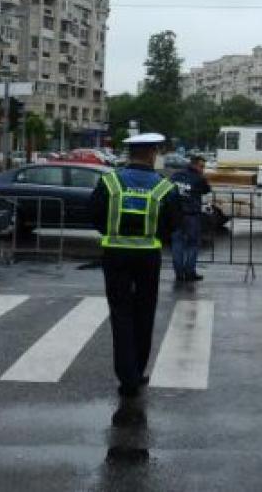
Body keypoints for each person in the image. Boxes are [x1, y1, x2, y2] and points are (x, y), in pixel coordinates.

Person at [90, 132, 182, 397]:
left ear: (130, 154)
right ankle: (138, 371)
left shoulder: (109, 182)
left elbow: (94, 215)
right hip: (148, 257)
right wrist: (154, 237)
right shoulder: (163, 186)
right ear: (153, 154)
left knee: (120, 314)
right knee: (144, 313)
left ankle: (126, 376)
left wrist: (112, 233)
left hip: (115, 255)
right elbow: (174, 223)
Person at [169, 154, 212, 282]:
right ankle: (189, 272)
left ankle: (179, 273)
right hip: (192, 215)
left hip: (176, 214)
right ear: (194, 164)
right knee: (192, 244)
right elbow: (206, 190)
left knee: (177, 244)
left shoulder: (176, 175)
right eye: (201, 166)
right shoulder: (199, 178)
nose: (202, 169)